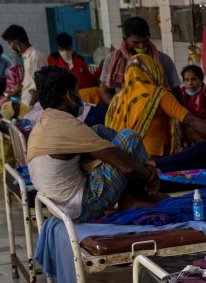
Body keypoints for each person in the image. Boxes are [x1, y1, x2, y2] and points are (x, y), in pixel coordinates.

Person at [25, 66, 161, 222]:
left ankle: (132, 194)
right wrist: (149, 175)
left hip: (59, 206)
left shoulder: (45, 121)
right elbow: (127, 167)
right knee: (130, 137)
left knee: (99, 131)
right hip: (83, 207)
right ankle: (132, 198)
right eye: (78, 91)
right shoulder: (68, 126)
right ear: (70, 95)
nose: (80, 97)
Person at [105, 55, 206, 159]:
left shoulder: (118, 98)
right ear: (153, 70)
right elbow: (190, 120)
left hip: (123, 159)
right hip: (153, 159)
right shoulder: (158, 94)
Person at [102, 16, 180, 96]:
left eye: (145, 41)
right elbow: (106, 92)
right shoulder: (113, 59)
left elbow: (177, 93)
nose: (141, 46)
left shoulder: (163, 59)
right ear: (125, 39)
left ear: (149, 36)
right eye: (135, 43)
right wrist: (121, 107)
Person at [177, 64, 206, 145]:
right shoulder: (180, 94)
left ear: (200, 80)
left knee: (190, 134)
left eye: (194, 79)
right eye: (186, 80)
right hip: (189, 127)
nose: (190, 83)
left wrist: (198, 126)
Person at [2, 24, 46, 107]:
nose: (11, 47)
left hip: (34, 105)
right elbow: (29, 81)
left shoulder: (35, 56)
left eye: (10, 43)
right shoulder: (26, 57)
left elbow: (39, 85)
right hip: (26, 101)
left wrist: (31, 106)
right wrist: (14, 91)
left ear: (16, 41)